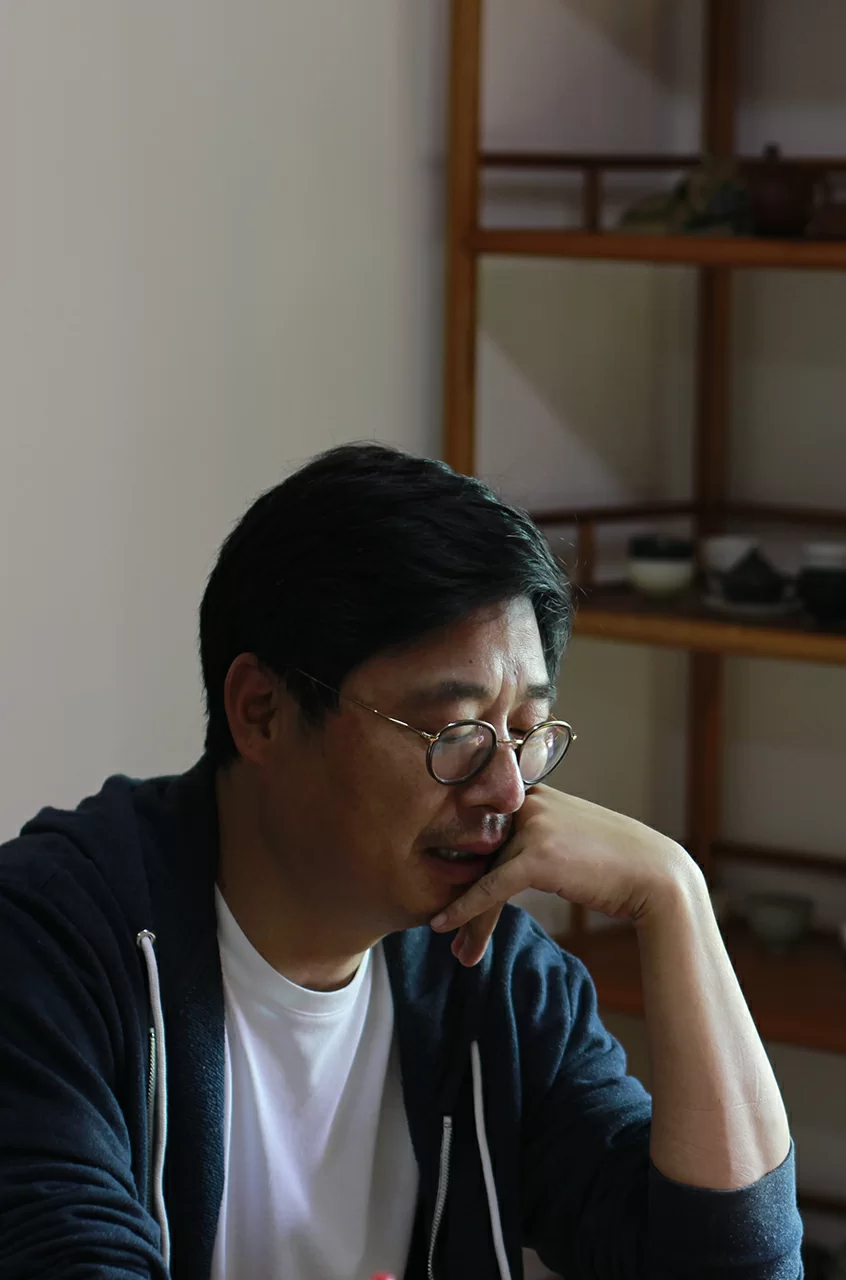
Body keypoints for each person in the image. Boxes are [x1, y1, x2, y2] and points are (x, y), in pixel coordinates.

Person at [0, 444, 802, 1280]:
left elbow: (733, 1267)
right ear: (262, 711)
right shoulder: (47, 949)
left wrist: (676, 898)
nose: (506, 790)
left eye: (525, 734)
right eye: (454, 731)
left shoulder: (492, 975)